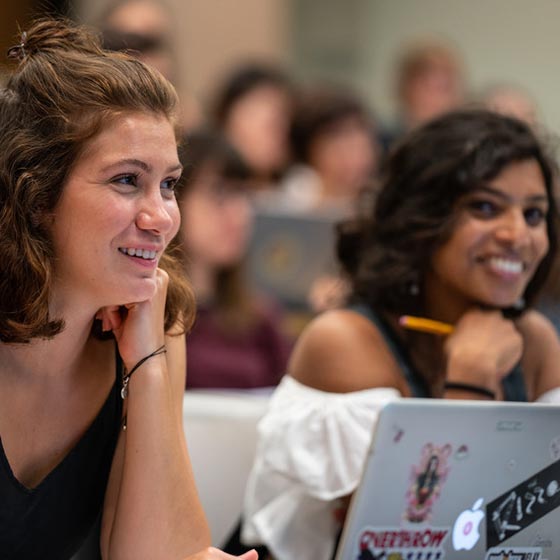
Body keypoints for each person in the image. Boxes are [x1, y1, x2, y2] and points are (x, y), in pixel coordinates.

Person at [241, 109, 560, 560]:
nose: (518, 234)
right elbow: (415, 543)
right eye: (485, 207)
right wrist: (468, 381)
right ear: (421, 219)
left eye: (534, 214)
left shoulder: (536, 341)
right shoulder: (344, 342)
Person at [0, 17, 257, 560]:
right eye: (127, 180)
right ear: (36, 195)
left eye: (169, 184)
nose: (161, 216)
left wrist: (149, 364)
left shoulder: (155, 328)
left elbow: (157, 554)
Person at [175, 129, 290, 389]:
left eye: (244, 196)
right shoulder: (148, 315)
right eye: (220, 194)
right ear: (174, 199)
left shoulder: (260, 316)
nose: (240, 215)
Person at [209, 63, 294, 189]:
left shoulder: (301, 196)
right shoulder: (201, 193)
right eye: (254, 114)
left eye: (282, 116)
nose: (278, 129)